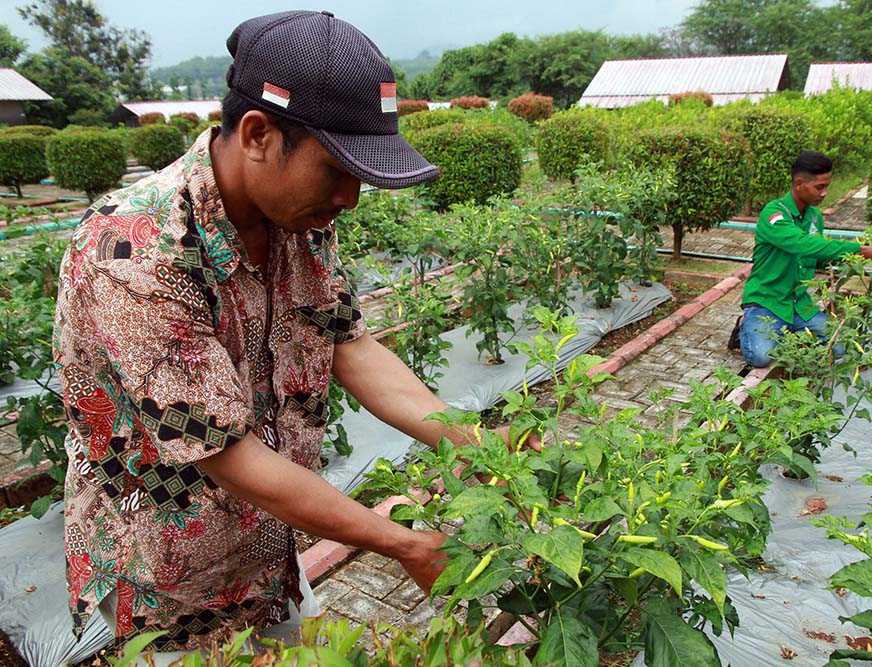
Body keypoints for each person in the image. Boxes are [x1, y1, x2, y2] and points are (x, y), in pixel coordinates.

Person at [53, 11, 534, 660]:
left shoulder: (298, 215)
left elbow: (348, 342)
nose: (353, 197)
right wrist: (402, 541)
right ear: (257, 134)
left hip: (266, 539)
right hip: (165, 565)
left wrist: (476, 442)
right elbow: (224, 452)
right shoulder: (133, 252)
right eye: (338, 168)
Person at [737, 150, 872, 367]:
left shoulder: (813, 216)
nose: (824, 193)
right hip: (767, 303)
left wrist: (853, 263)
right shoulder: (774, 214)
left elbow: (816, 255)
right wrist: (861, 249)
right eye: (820, 187)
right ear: (799, 183)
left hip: (799, 305)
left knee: (840, 346)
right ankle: (744, 328)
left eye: (827, 186)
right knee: (762, 357)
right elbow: (802, 244)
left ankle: (784, 333)